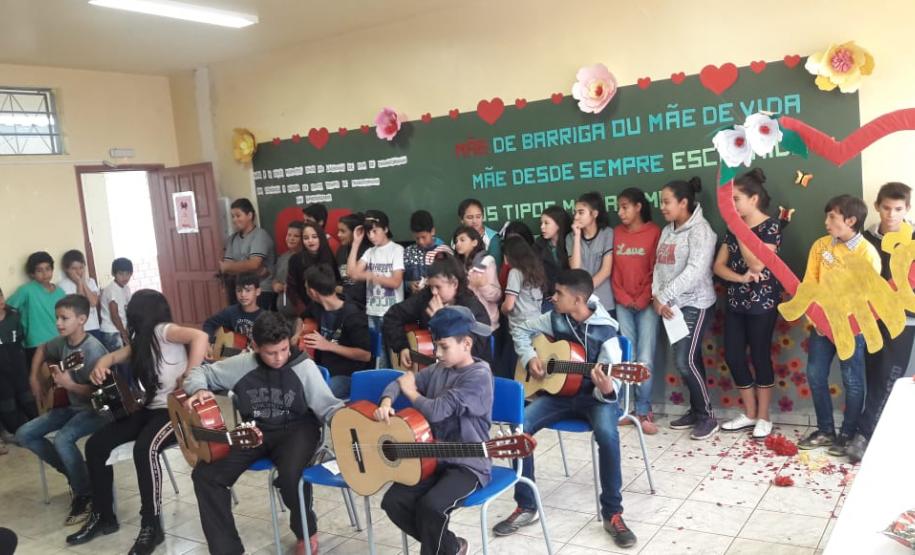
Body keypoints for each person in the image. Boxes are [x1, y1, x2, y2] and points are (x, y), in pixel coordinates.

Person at [493, 269, 636, 548]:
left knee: (608, 436)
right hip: (559, 395)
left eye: (558, 293)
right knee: (518, 427)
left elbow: (614, 387)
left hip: (595, 399)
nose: (552, 297)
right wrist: (530, 355)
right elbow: (521, 327)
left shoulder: (606, 331)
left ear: (579, 299)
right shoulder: (556, 317)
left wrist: (606, 387)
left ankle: (613, 513)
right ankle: (526, 505)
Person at [182, 311, 344, 555]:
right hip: (254, 431)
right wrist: (199, 389)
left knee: (291, 475)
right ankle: (228, 550)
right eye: (271, 353)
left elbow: (329, 408)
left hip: (298, 429)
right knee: (206, 476)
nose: (279, 358)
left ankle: (305, 531)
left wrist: (349, 427)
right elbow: (198, 372)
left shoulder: (304, 367)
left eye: (283, 350)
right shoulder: (243, 364)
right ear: (255, 346)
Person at [67, 290, 208, 555]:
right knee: (96, 445)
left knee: (144, 449)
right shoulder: (141, 340)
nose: (127, 313)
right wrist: (102, 363)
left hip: (175, 410)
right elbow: (114, 356)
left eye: (131, 309)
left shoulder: (163, 330)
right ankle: (103, 515)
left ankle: (151, 526)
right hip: (150, 409)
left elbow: (200, 336)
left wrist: (190, 374)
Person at [377, 306, 494, 555]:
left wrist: (411, 392)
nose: (437, 353)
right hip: (432, 457)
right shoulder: (441, 368)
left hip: (468, 463)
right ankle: (450, 547)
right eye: (435, 346)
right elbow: (401, 380)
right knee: (393, 502)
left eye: (443, 346)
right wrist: (387, 401)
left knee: (431, 507)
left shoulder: (479, 376)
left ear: (467, 344)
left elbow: (438, 410)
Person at [16, 295, 110, 526]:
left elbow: (103, 394)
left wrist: (70, 385)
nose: (58, 322)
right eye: (57, 317)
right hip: (71, 407)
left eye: (64, 318)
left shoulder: (93, 349)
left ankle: (85, 493)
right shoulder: (64, 341)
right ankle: (77, 475)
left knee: (62, 439)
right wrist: (34, 378)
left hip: (97, 411)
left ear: (81, 320)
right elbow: (42, 348)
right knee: (24, 434)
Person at [798, 195, 881, 455]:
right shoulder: (821, 246)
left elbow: (866, 296)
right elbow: (809, 283)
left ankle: (847, 433)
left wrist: (840, 322)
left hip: (851, 328)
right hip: (821, 326)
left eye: (832, 217)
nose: (826, 222)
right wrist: (817, 319)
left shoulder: (866, 253)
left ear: (851, 220)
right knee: (814, 374)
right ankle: (825, 430)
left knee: (852, 380)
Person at [847, 182, 915, 462]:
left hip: (904, 319)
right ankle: (873, 433)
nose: (891, 214)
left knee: (889, 375)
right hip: (870, 318)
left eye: (898, 209)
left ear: (907, 209)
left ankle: (863, 436)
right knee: (873, 374)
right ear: (877, 206)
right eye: (886, 208)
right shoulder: (864, 239)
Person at [713, 169, 783, 440]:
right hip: (736, 301)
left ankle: (764, 416)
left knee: (760, 356)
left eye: (737, 199)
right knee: (732, 355)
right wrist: (739, 277)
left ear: (754, 199)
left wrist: (741, 232)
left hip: (762, 303)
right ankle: (750, 413)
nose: (732, 205)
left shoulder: (771, 226)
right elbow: (718, 266)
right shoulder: (732, 228)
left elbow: (757, 263)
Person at [653, 177, 719, 440]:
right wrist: (657, 297)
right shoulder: (666, 230)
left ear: (684, 202)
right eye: (661, 202)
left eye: (667, 202)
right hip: (671, 308)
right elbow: (658, 265)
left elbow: (695, 271)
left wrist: (665, 296)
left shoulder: (702, 230)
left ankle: (708, 417)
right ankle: (696, 410)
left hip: (696, 303)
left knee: (685, 360)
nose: (663, 207)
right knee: (691, 360)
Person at [612, 188, 662, 435]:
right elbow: (615, 272)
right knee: (625, 357)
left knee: (645, 358)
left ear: (638, 207)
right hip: (623, 303)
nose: (621, 212)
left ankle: (643, 410)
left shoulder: (654, 232)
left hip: (647, 304)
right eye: (619, 207)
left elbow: (656, 269)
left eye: (625, 207)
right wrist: (623, 296)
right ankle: (624, 409)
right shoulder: (617, 233)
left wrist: (643, 297)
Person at [383, 254, 492, 367]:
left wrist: (442, 320)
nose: (434, 292)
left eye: (438, 287)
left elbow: (473, 349)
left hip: (467, 371)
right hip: (433, 370)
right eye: (431, 287)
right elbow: (393, 316)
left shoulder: (471, 307)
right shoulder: (427, 297)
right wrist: (402, 346)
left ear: (454, 284)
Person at [302, 264, 372, 399]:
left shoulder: (353, 315)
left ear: (312, 292)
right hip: (322, 368)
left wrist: (328, 345)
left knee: (318, 394)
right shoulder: (317, 306)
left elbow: (365, 355)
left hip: (347, 375)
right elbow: (302, 318)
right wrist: (298, 337)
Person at [346, 210, 404, 368]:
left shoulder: (396, 250)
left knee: (394, 355)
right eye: (368, 232)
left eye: (375, 231)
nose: (371, 236)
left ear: (385, 229)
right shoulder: (369, 252)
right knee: (379, 356)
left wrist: (371, 276)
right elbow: (352, 274)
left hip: (391, 312)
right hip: (373, 312)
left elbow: (396, 282)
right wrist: (356, 243)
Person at [7, 251, 66, 366]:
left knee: (60, 378)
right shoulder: (26, 290)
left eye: (48, 269)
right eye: (39, 270)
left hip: (59, 342)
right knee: (39, 379)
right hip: (35, 343)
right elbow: (8, 308)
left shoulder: (60, 292)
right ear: (32, 274)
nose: (45, 273)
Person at [500, 237, 545, 376]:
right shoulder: (536, 270)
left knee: (516, 369)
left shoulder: (515, 272)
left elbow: (509, 305)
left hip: (520, 327)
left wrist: (501, 309)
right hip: (538, 324)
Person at [221, 198, 276, 309]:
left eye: (238, 215)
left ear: (250, 215)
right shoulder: (232, 239)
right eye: (233, 216)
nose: (235, 220)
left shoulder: (260, 235)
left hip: (261, 290)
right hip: (240, 290)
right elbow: (227, 268)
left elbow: (254, 264)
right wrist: (244, 267)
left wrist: (231, 266)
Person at [568, 192, 615, 316]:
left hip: (605, 302)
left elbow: (606, 270)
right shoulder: (570, 237)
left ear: (594, 214)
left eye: (581, 212)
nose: (576, 217)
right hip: (582, 305)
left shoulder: (607, 233)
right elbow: (575, 269)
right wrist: (577, 237)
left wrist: (585, 290)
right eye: (575, 213)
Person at [0, 286, 36, 434]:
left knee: (26, 396)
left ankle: (36, 425)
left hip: (18, 364)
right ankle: (16, 431)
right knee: (7, 402)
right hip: (1, 371)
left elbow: (21, 338)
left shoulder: (14, 315)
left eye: (0, 296)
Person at [453, 226, 501, 333]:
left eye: (462, 240)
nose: (458, 244)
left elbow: (496, 296)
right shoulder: (456, 265)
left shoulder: (486, 262)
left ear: (474, 242)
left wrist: (483, 285)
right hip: (464, 322)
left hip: (486, 323)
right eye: (456, 241)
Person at [286, 222, 339, 317]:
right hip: (308, 310)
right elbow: (291, 289)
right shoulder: (296, 259)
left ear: (321, 237)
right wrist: (304, 312)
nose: (310, 241)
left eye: (314, 237)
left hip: (330, 309)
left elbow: (337, 281)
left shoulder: (329, 255)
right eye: (306, 238)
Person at [202, 272, 264, 353]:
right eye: (239, 290)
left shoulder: (265, 316)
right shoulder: (231, 312)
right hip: (234, 356)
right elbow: (209, 324)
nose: (243, 294)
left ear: (258, 291)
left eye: (248, 290)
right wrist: (209, 342)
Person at [404, 210, 453, 295]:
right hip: (414, 301)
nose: (421, 242)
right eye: (417, 238)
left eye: (424, 237)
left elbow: (451, 278)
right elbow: (400, 280)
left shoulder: (444, 251)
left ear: (433, 231)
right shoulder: (408, 252)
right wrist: (409, 285)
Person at [58, 250, 103, 342]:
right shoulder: (62, 285)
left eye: (81, 267)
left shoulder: (90, 281)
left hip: (93, 326)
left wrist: (83, 283)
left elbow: (93, 303)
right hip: (76, 329)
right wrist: (79, 284)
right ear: (66, 269)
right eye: (74, 268)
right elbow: (79, 305)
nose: (78, 271)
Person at [535, 206, 571, 311]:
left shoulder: (571, 242)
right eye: (541, 223)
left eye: (546, 223)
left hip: (569, 295)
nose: (542, 227)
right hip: (548, 297)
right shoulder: (539, 244)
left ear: (558, 224)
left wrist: (561, 292)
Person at [98, 257, 133, 353]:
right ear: (113, 273)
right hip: (112, 331)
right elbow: (115, 316)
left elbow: (127, 309)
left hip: (121, 329)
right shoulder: (111, 290)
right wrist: (124, 334)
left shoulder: (126, 288)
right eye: (121, 274)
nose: (125, 277)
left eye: (128, 274)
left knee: (125, 360)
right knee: (119, 363)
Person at [336, 213, 369, 309]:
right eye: (339, 230)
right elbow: (338, 279)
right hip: (344, 297)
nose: (339, 234)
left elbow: (364, 290)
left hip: (361, 303)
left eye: (343, 231)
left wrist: (342, 290)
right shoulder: (341, 251)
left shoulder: (368, 252)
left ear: (356, 232)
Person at [457, 198, 502, 268]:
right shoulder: (458, 237)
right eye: (470, 217)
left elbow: (495, 269)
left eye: (478, 217)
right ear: (461, 220)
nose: (474, 221)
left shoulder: (493, 238)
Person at [273, 221, 305, 313]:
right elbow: (275, 279)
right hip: (283, 314)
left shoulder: (306, 259)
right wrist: (275, 285)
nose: (291, 239)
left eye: (296, 236)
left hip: (301, 313)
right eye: (289, 235)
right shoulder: (282, 257)